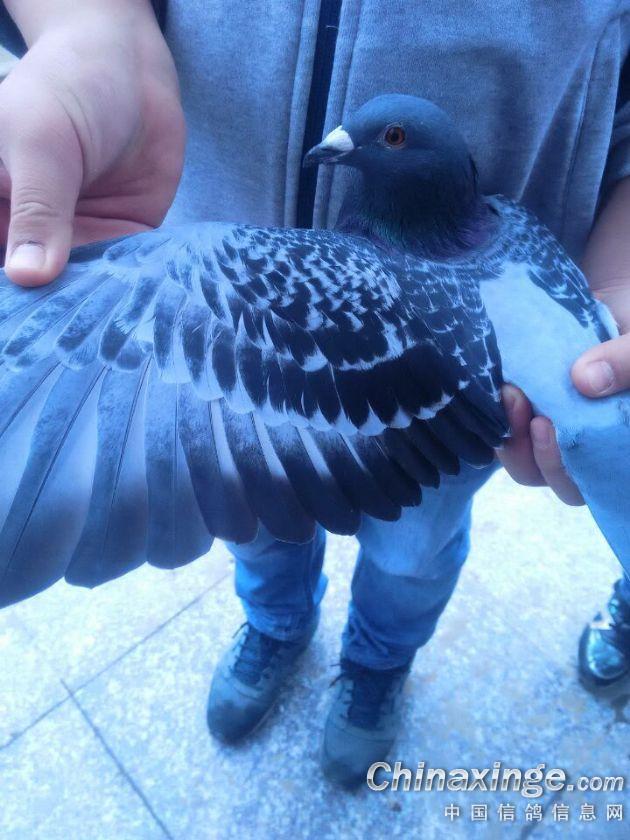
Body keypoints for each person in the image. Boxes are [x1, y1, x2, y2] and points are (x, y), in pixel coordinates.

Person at [1, 0, 629, 788]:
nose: (338, 147)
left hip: (478, 388)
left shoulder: (507, 236)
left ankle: (378, 663)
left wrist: (619, 273)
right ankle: (277, 625)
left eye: (384, 140)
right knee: (258, 522)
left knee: (413, 553)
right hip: (221, 306)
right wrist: (87, 29)